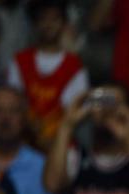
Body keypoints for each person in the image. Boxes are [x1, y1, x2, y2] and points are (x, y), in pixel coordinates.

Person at [8, 0, 88, 151]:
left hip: (61, 147)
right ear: (35, 23)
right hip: (22, 146)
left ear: (64, 24)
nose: (48, 24)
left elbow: (73, 112)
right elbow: (13, 104)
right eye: (43, 19)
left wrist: (49, 139)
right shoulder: (19, 61)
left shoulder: (75, 67)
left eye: (55, 19)